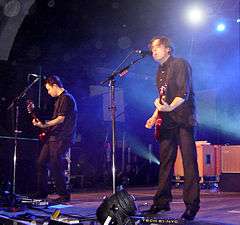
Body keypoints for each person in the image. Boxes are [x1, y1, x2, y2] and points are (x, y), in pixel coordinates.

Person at [145, 36, 200, 220]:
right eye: (152, 48)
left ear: (168, 48)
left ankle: (192, 206)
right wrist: (154, 115)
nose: (154, 51)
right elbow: (162, 98)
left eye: (157, 47)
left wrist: (169, 107)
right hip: (167, 120)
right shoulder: (159, 71)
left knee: (188, 162)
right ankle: (161, 202)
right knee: (165, 162)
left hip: (184, 119)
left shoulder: (180, 64)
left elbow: (183, 92)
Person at [31, 75, 78, 202]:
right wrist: (39, 120)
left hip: (63, 137)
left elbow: (60, 119)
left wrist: (44, 125)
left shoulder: (67, 98)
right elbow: (54, 120)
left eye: (48, 89)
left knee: (55, 163)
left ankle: (64, 194)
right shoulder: (58, 100)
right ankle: (42, 191)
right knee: (41, 162)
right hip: (53, 136)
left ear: (55, 86)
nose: (48, 92)